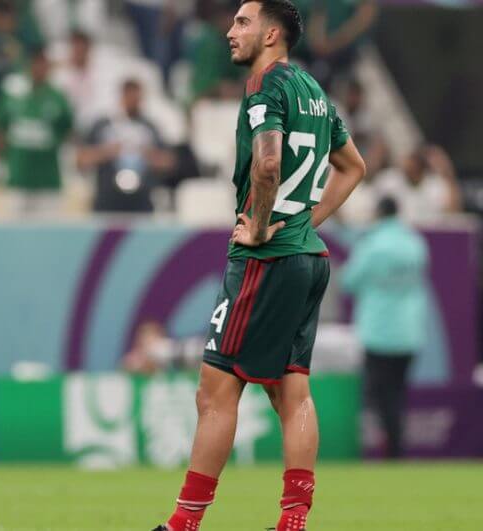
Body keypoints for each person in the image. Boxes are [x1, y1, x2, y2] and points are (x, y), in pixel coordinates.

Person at [152, 2, 366, 530]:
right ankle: (293, 522)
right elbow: (353, 167)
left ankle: (183, 524)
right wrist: (303, 223)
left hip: (266, 260)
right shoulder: (314, 92)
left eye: (242, 22)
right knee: (292, 391)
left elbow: (268, 163)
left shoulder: (264, 86)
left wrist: (265, 225)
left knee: (215, 390)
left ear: (271, 34)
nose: (231, 31)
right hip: (309, 256)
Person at [342, 197, 428, 459]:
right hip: (409, 330)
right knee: (397, 392)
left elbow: (349, 281)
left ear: (379, 213)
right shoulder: (415, 243)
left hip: (379, 331)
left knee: (382, 395)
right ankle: (395, 447)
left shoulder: (372, 244)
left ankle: (393, 451)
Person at [77, 79, 177, 213]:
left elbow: (169, 163)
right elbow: (82, 160)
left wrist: (145, 152)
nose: (134, 101)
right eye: (130, 96)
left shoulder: (149, 127)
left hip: (141, 201)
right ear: (122, 95)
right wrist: (108, 151)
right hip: (107, 200)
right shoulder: (103, 125)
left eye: (137, 98)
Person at [0, 47, 73, 215]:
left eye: (43, 64)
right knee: (14, 227)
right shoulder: (13, 94)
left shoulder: (57, 96)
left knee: (49, 228)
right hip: (17, 177)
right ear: (29, 65)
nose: (39, 68)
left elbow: (68, 129)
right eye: (36, 63)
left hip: (48, 180)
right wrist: (3, 155)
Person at [372, 144, 462, 224]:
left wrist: (446, 171)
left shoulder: (437, 186)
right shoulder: (389, 181)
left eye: (416, 163)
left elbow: (452, 213)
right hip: (397, 232)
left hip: (430, 233)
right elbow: (374, 212)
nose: (411, 166)